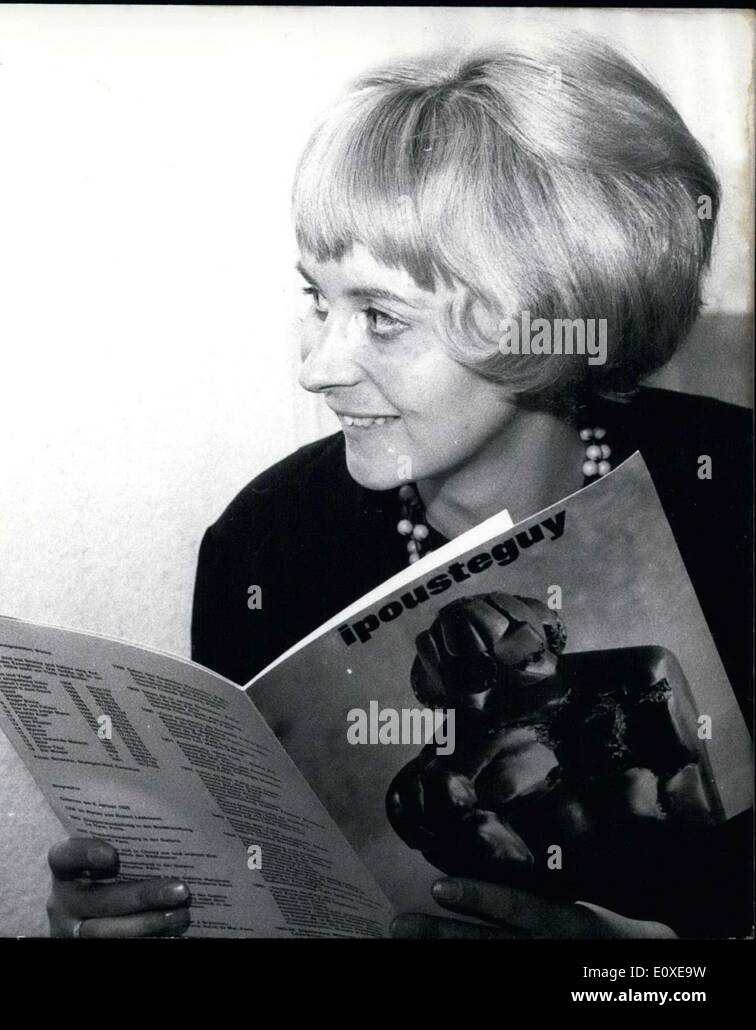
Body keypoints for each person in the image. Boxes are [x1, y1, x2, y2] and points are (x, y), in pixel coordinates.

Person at [45, 30, 753, 939]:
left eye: (380, 316)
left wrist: (647, 980)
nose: (316, 368)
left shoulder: (732, 493)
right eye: (318, 299)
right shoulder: (264, 542)